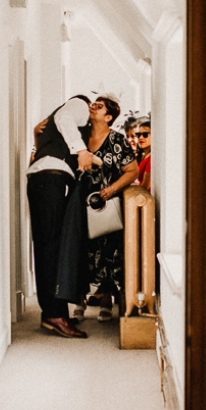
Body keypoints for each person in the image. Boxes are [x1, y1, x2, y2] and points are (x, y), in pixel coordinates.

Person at [26, 95, 94, 339]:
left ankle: (53, 313)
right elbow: (65, 117)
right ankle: (55, 315)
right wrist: (82, 150)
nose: (95, 111)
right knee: (52, 248)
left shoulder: (53, 132)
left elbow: (38, 156)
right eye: (95, 106)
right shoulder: (79, 105)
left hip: (44, 179)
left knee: (49, 246)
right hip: (51, 180)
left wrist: (36, 139)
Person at [79, 95, 139, 322]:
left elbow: (132, 171)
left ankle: (106, 299)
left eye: (99, 106)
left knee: (108, 250)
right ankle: (79, 299)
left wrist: (111, 189)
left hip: (107, 203)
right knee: (82, 248)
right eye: (93, 104)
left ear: (109, 116)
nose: (93, 107)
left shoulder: (118, 140)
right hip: (80, 202)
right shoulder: (79, 136)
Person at [134, 117, 151, 190]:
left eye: (145, 134)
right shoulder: (144, 155)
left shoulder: (151, 160)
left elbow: (145, 187)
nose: (140, 137)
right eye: (138, 134)